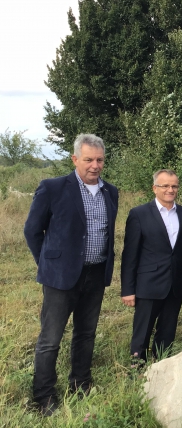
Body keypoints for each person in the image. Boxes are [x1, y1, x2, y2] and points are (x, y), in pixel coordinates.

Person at [24, 134, 119, 416]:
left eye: (99, 160)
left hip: (96, 273)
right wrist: (49, 263)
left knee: (86, 333)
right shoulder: (53, 188)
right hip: (60, 277)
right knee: (50, 338)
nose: (95, 165)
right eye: (88, 159)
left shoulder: (110, 191)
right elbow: (32, 230)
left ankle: (81, 384)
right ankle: (44, 396)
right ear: (75, 159)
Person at [121, 169, 182, 364]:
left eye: (174, 186)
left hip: (176, 283)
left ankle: (162, 364)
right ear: (154, 188)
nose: (170, 190)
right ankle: (137, 367)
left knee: (168, 329)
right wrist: (128, 290)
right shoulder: (139, 214)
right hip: (149, 283)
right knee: (143, 329)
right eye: (165, 186)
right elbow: (130, 255)